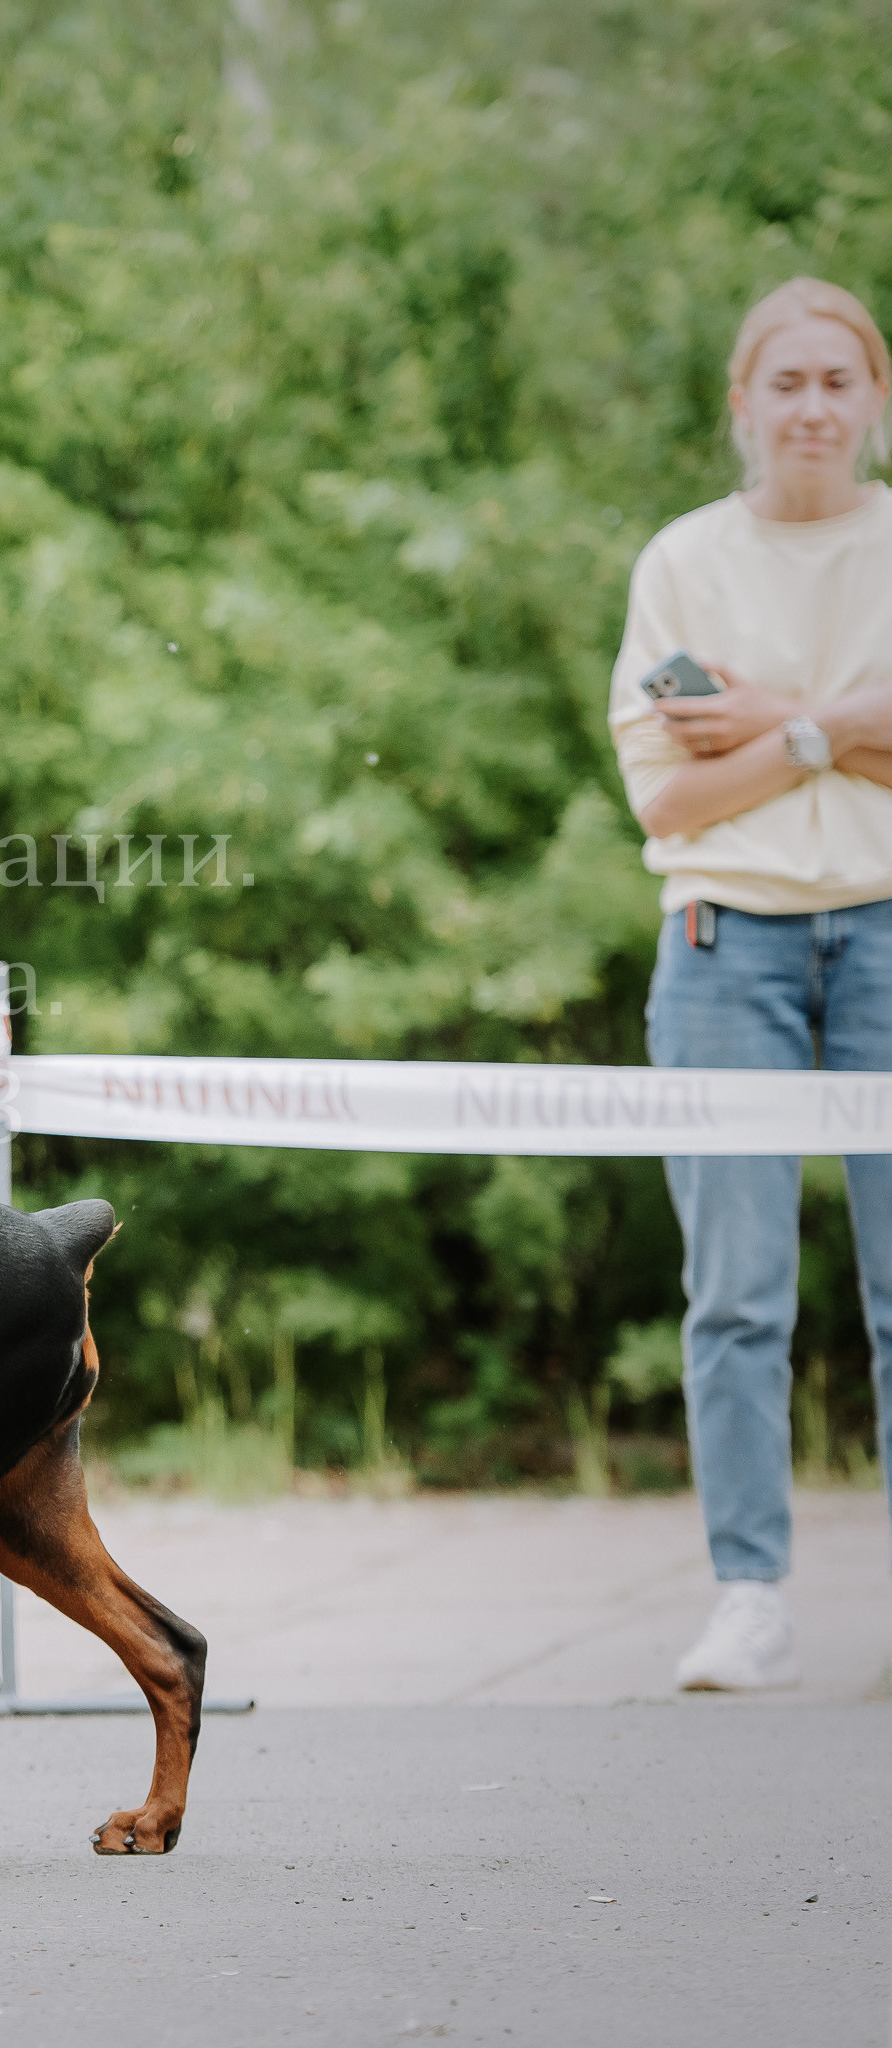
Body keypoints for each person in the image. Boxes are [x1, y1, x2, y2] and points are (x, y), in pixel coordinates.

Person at [608, 276, 892, 1692]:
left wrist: (773, 720)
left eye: (840, 380)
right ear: (743, 403)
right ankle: (750, 1592)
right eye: (786, 382)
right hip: (731, 948)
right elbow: (670, 807)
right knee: (736, 1292)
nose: (814, 408)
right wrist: (845, 731)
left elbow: (734, 761)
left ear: (875, 397)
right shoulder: (684, 563)